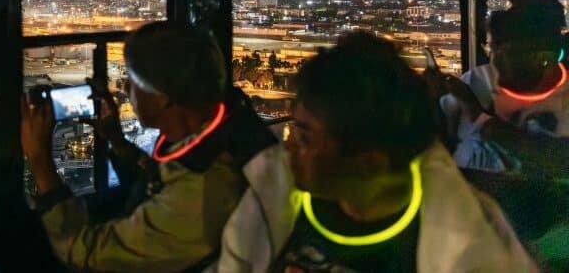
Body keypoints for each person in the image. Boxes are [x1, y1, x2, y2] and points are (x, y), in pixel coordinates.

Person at [212, 32, 535, 273]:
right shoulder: (276, 197)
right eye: (292, 131)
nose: (287, 148)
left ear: (369, 160)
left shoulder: (467, 241)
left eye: (305, 137)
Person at [20, 22, 281, 272]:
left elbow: (83, 251)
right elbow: (158, 184)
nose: (125, 89)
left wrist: (39, 158)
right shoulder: (222, 129)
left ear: (162, 100)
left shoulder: (202, 191)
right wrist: (117, 140)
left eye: (133, 82)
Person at [440, 0, 569, 174]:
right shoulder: (476, 81)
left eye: (508, 51)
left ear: (545, 51)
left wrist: (478, 117)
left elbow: (556, 161)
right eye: (493, 48)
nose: (495, 59)